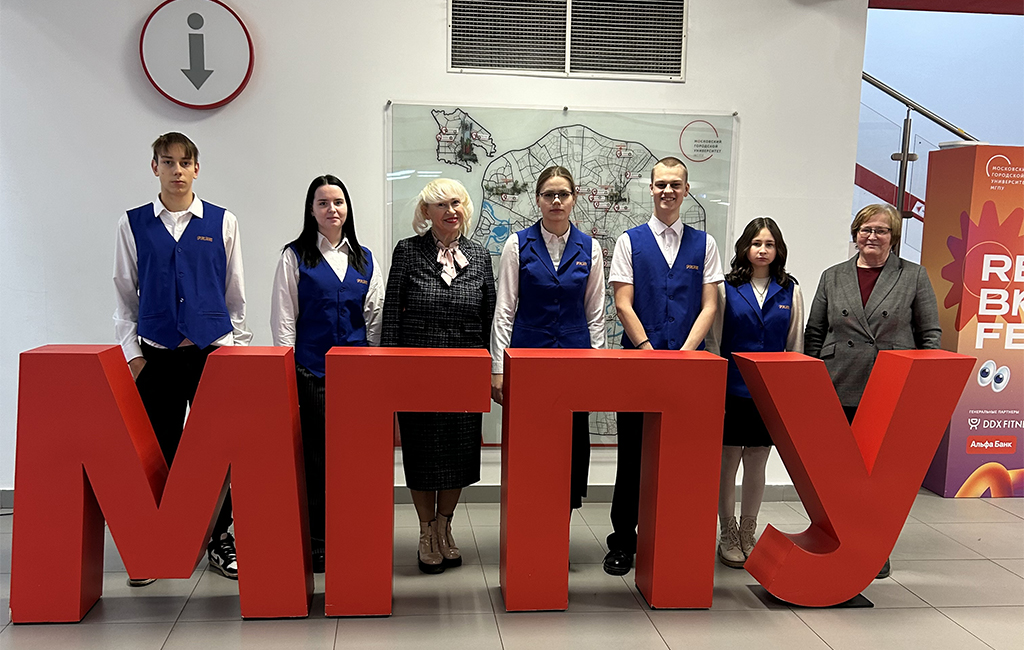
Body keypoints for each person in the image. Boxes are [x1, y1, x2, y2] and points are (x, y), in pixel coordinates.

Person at [113, 132, 251, 585]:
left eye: (184, 162)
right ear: (154, 167)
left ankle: (220, 540)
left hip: (212, 352)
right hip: (157, 355)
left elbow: (235, 294)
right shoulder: (132, 224)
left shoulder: (223, 221)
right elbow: (124, 295)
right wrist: (134, 357)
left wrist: (234, 351)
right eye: (168, 161)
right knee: (157, 452)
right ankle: (157, 544)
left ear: (197, 168)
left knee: (220, 451)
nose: (177, 170)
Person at [804, 203, 941, 579]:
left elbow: (930, 334)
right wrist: (812, 382)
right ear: (855, 234)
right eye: (865, 229)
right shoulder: (833, 276)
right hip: (839, 383)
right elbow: (815, 332)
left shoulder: (913, 275)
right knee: (839, 473)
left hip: (889, 386)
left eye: (881, 230)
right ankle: (840, 538)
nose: (872, 236)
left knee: (879, 476)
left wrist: (924, 384)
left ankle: (874, 547)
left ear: (893, 237)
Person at [603, 157, 725, 576]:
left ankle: (674, 540)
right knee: (633, 456)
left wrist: (685, 354)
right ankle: (623, 541)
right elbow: (623, 303)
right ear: (651, 188)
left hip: (689, 366)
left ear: (686, 190)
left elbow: (709, 306)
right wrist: (649, 350)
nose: (667, 191)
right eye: (661, 184)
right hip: (639, 364)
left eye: (675, 184)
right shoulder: (629, 241)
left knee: (683, 455)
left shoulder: (705, 245)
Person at [382, 178, 496, 574]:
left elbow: (489, 316)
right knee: (422, 454)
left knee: (458, 454)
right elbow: (392, 315)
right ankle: (425, 530)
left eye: (457, 203)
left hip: (464, 371)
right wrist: (390, 371)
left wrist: (488, 369)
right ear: (426, 212)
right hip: (417, 372)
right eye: (441, 205)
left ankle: (445, 526)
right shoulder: (408, 251)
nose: (451, 211)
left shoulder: (480, 256)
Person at [270, 175, 384, 573]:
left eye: (338, 202)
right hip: (311, 372)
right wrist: (288, 370)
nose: (331, 209)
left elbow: (374, 319)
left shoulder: (365, 259)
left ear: (347, 208)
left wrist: (370, 367)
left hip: (356, 377)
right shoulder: (294, 256)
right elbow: (285, 319)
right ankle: (318, 540)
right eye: (323, 203)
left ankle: (353, 532)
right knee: (317, 460)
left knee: (354, 459)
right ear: (311, 210)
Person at [490, 166, 606, 512]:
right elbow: (505, 309)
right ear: (538, 199)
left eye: (563, 194)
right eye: (549, 195)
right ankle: (529, 523)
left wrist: (598, 365)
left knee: (570, 445)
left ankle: (561, 524)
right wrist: (498, 368)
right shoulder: (518, 244)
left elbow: (595, 312)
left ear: (574, 199)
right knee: (530, 442)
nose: (556, 201)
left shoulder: (591, 248)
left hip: (576, 362)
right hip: (529, 361)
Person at [706, 217, 803, 568]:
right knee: (728, 461)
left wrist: (790, 392)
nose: (763, 250)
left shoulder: (790, 289)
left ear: (778, 250)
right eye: (757, 243)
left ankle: (749, 530)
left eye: (769, 245)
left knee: (758, 461)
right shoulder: (726, 288)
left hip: (768, 391)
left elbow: (795, 344)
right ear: (745, 247)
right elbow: (715, 340)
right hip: (732, 389)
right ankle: (728, 532)